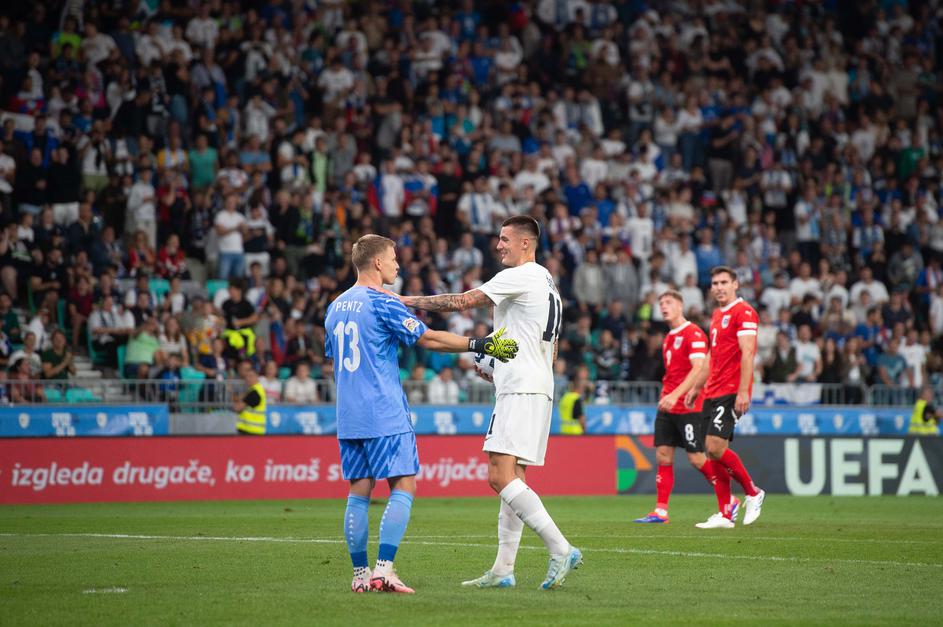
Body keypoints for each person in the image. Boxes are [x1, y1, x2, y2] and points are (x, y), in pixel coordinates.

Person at [325, 234, 518, 595]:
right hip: (383, 410)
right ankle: (384, 570)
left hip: (349, 414)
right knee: (403, 485)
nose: (398, 265)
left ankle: (360, 576)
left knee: (358, 491)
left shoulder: (335, 307)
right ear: (377, 263)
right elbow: (427, 338)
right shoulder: (382, 300)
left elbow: (336, 359)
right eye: (393, 258)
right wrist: (480, 344)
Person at [401, 215, 582, 591]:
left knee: (498, 476)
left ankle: (560, 547)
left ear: (525, 243)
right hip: (536, 384)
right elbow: (546, 346)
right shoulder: (547, 281)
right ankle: (503, 569)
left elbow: (460, 302)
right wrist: (500, 368)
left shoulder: (520, 275)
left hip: (520, 389)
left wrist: (402, 299)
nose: (498, 245)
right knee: (514, 476)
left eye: (504, 239)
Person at [634, 290, 736, 524]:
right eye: (661, 303)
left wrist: (676, 395)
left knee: (697, 458)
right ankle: (661, 511)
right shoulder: (669, 338)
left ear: (680, 306)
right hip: (667, 405)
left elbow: (699, 368)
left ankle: (728, 499)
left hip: (690, 406)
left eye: (669, 302)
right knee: (663, 455)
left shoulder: (694, 333)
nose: (664, 306)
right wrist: (668, 395)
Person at [687, 266, 765, 529]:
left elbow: (748, 352)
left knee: (716, 446)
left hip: (731, 390)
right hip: (712, 390)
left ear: (735, 284)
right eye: (715, 283)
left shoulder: (744, 312)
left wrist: (744, 390)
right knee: (711, 451)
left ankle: (753, 492)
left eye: (724, 282)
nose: (719, 287)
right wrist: (696, 387)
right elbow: (712, 356)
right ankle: (725, 512)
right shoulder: (718, 314)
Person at [233, 359, 266, 435]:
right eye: (247, 376)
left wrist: (234, 395)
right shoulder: (254, 390)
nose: (247, 378)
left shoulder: (255, 392)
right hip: (251, 430)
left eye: (251, 376)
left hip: (250, 431)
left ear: (257, 377)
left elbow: (237, 408)